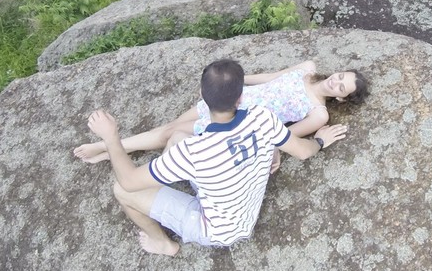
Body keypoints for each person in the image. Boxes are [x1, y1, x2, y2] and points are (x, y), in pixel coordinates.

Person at [85, 59, 348, 256]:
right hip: (244, 206)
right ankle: (162, 185)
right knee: (175, 136)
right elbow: (303, 151)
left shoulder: (194, 152)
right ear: (241, 97)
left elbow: (130, 181)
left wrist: (111, 137)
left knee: (121, 190)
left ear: (202, 96)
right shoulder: (263, 118)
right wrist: (321, 140)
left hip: (216, 227)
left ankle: (164, 244)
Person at [73, 60, 367, 164]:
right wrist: (229, 81)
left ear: (342, 100)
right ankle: (109, 148)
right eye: (341, 76)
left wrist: (274, 150)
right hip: (232, 96)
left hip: (237, 120)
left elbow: (286, 135)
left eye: (342, 88)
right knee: (171, 126)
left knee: (169, 134)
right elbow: (270, 77)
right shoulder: (307, 69)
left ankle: (106, 147)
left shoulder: (319, 114)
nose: (336, 82)